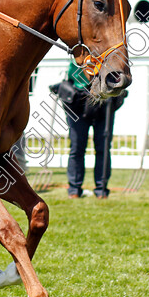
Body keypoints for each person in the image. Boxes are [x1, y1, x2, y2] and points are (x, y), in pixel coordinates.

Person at [58, 63, 125, 199]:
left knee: (103, 147)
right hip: (78, 100)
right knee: (77, 147)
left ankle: (101, 190)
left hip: (105, 99)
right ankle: (74, 189)